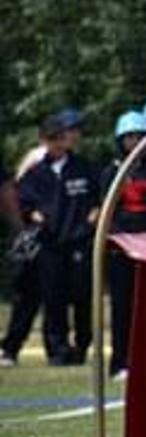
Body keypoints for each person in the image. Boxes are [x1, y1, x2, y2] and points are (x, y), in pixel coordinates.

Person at [14, 109, 100, 366]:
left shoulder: (84, 168)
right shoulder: (35, 173)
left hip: (79, 241)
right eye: (51, 139)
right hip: (49, 244)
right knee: (53, 299)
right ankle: (58, 350)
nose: (57, 143)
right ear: (43, 141)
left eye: (60, 137)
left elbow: (99, 197)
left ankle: (82, 345)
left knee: (82, 297)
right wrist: (33, 215)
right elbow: (23, 202)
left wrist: (94, 216)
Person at [101, 110, 146, 378]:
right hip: (121, 248)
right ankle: (121, 361)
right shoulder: (112, 171)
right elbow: (108, 210)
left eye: (140, 137)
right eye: (129, 137)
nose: (134, 142)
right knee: (122, 305)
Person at [0, 139, 50, 367]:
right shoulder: (36, 159)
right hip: (29, 232)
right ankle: (10, 346)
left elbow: (8, 191)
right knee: (26, 294)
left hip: (37, 235)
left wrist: (20, 229)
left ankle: (11, 347)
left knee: (29, 294)